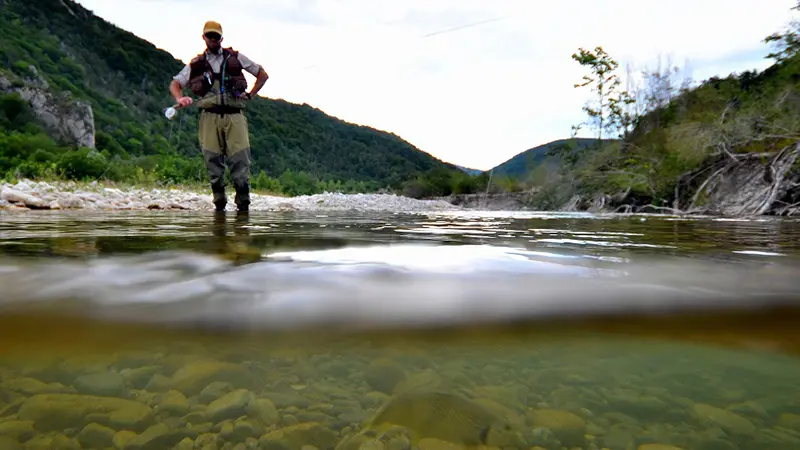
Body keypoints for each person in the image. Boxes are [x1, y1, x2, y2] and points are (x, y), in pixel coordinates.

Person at [170, 20, 269, 213]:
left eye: (216, 36)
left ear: (221, 38)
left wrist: (251, 95)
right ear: (204, 37)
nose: (213, 39)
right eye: (210, 36)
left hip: (235, 117)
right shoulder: (196, 64)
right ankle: (219, 208)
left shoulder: (237, 57)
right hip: (209, 118)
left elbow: (262, 74)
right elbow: (175, 83)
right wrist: (180, 98)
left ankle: (243, 208)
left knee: (241, 165)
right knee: (213, 167)